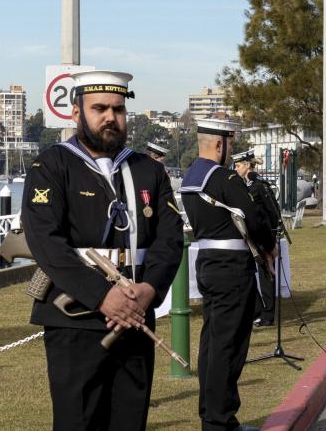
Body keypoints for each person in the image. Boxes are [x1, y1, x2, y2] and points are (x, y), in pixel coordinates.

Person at [22, 70, 183, 430]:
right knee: (77, 421)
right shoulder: (52, 165)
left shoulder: (148, 171)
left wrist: (150, 290)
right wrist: (101, 296)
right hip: (75, 317)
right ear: (76, 112)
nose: (111, 117)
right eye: (99, 108)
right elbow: (47, 243)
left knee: (130, 419)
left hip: (136, 314)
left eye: (118, 108)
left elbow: (169, 239)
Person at [180, 120, 275, 431]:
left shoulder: (191, 176)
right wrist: (269, 245)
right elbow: (255, 218)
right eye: (230, 144)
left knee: (212, 342)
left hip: (207, 260)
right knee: (229, 345)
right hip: (232, 265)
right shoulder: (225, 178)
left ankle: (212, 414)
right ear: (220, 145)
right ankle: (220, 420)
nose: (230, 150)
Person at [232, 150, 277, 327]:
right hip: (248, 237)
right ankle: (256, 310)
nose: (235, 169)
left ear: (248, 166)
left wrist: (271, 237)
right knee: (248, 274)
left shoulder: (258, 186)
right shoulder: (241, 186)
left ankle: (267, 314)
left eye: (238, 166)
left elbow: (271, 212)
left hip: (261, 236)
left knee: (266, 275)